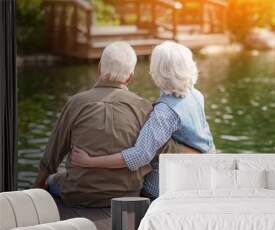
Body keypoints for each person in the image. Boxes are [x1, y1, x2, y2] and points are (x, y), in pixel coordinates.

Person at [33, 41, 187, 207]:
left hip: (77, 194)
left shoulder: (76, 103)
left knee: (51, 180)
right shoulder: (145, 108)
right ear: (130, 76)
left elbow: (51, 156)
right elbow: (163, 150)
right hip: (127, 196)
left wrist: (36, 189)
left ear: (99, 69)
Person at [71, 41, 215, 199]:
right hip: (203, 171)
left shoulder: (164, 113)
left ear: (156, 71)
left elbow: (140, 156)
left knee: (136, 180)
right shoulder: (195, 95)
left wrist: (90, 161)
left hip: (180, 182)